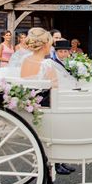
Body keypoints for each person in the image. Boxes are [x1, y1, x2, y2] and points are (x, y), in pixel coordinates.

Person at [20, 28, 75, 175]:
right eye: (50, 45)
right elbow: (56, 88)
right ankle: (58, 159)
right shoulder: (47, 64)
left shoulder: (25, 60)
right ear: (44, 45)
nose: (51, 48)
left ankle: (58, 161)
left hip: (30, 102)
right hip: (46, 104)